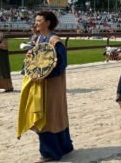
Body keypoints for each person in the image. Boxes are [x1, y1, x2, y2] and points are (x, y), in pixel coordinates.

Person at [17, 10, 73, 162]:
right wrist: (30, 55)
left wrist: (45, 75)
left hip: (52, 85)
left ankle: (50, 152)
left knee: (50, 116)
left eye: (39, 20)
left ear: (47, 23)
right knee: (49, 115)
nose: (36, 23)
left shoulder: (55, 41)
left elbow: (62, 64)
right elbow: (36, 59)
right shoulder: (38, 38)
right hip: (39, 84)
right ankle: (64, 147)